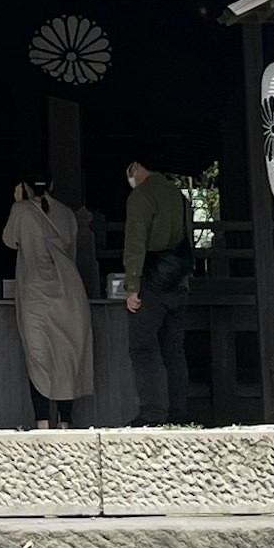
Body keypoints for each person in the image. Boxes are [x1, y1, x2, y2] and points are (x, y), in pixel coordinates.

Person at [0, 180, 96, 426]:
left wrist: (19, 202)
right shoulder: (66, 212)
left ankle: (42, 421)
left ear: (24, 186)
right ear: (52, 184)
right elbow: (72, 249)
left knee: (38, 357)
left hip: (36, 292)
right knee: (67, 357)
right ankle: (66, 421)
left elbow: (10, 240)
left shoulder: (21, 210)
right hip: (70, 290)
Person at [120, 157, 196, 423]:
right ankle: (178, 413)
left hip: (151, 279)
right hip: (178, 279)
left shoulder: (142, 196)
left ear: (137, 167)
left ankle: (152, 412)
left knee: (142, 348)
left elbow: (135, 242)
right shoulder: (179, 196)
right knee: (173, 349)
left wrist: (132, 286)